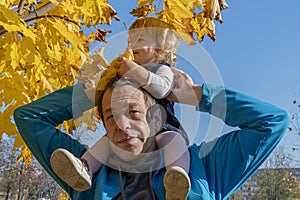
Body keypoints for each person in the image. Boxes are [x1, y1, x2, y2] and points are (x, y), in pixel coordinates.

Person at [14, 67, 289, 200]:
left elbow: (272, 122)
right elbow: (27, 118)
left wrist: (195, 96)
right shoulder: (84, 176)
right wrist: (90, 92)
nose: (122, 125)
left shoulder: (204, 168)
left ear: (156, 118)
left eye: (133, 112)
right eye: (111, 116)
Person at [49, 16, 191, 198]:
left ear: (159, 48)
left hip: (161, 126)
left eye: (139, 40)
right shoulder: (128, 72)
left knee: (173, 141)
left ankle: (177, 177)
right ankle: (84, 168)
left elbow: (161, 89)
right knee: (108, 141)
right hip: (133, 128)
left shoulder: (163, 69)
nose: (132, 46)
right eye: (130, 41)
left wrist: (134, 70)